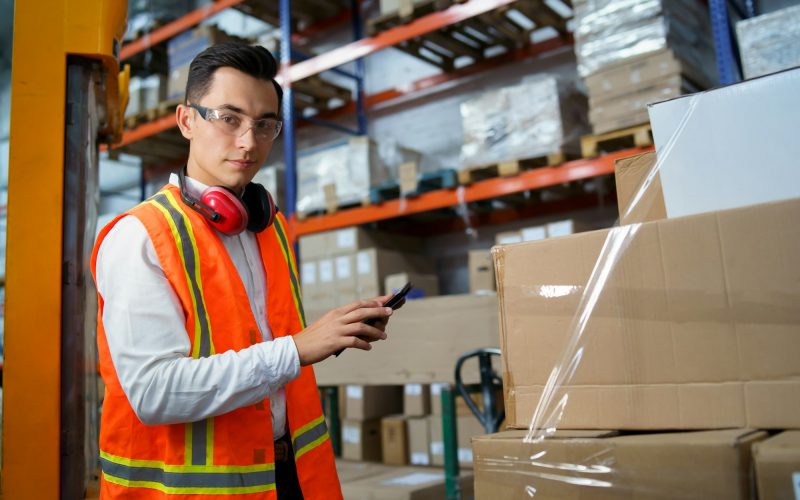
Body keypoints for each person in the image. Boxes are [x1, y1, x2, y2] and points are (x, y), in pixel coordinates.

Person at [91, 42, 396, 499]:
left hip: (289, 475)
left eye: (265, 125)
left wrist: (334, 332)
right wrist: (296, 349)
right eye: (228, 118)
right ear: (186, 120)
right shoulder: (140, 237)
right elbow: (154, 393)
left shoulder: (267, 227)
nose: (248, 142)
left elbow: (258, 341)